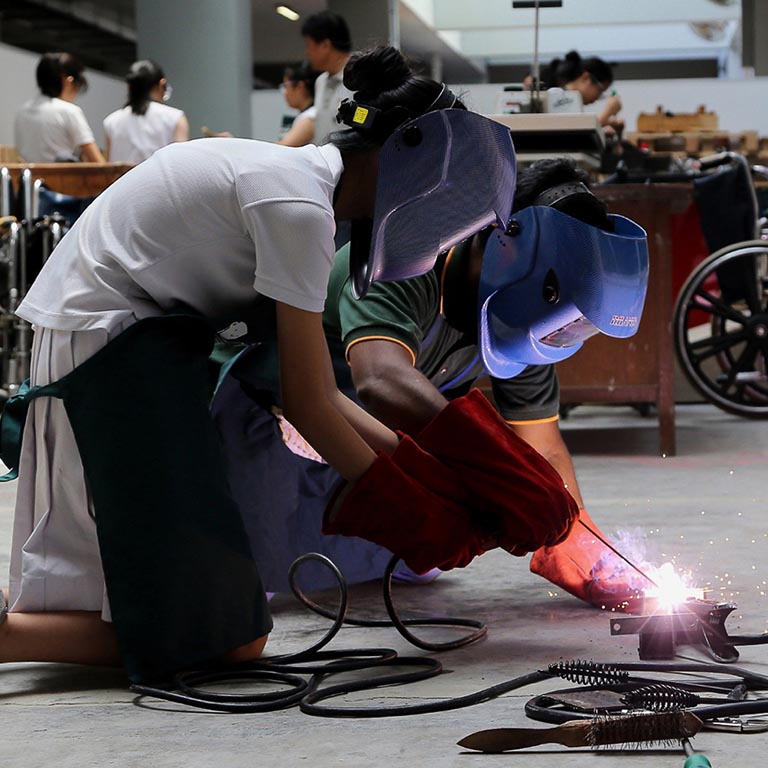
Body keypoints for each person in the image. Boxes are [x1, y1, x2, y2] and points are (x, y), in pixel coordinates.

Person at [0, 46, 573, 683]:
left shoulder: (300, 188)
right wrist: (424, 509)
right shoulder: (298, 207)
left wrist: (441, 481)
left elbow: (320, 394)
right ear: (405, 158)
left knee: (218, 630)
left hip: (135, 346)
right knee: (229, 637)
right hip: (108, 351)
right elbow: (310, 403)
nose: (441, 228)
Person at [211, 158, 638, 608]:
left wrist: (572, 539)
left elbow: (542, 447)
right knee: (250, 578)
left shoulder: (524, 325)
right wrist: (495, 462)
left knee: (425, 556)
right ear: (502, 244)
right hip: (267, 407)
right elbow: (382, 379)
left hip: (360, 432)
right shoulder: (403, 259)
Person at [14, 52, 105, 163]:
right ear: (69, 81)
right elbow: (97, 161)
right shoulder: (69, 111)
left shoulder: (22, 111)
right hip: (61, 174)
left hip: (28, 173)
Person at [103, 59, 190, 163]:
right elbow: (180, 163)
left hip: (125, 174)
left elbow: (109, 166)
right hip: (161, 174)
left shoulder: (111, 122)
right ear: (162, 84)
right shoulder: (175, 118)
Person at [301, 11, 354, 144]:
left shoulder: (360, 78)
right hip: (324, 155)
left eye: (309, 45)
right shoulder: (320, 82)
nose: (307, 53)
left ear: (325, 45)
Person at [544, 51, 623, 132]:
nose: (598, 97)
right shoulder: (556, 95)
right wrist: (607, 112)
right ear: (585, 77)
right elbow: (576, 133)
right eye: (600, 89)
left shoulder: (573, 104)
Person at [277, 62, 320, 147]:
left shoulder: (310, 116)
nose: (285, 93)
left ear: (300, 86)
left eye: (286, 86)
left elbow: (282, 148)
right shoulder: (309, 114)